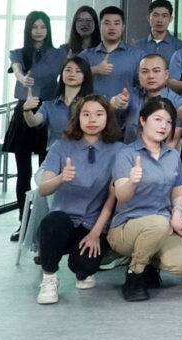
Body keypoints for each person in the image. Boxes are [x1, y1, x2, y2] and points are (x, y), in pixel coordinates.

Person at [34, 95, 123, 304]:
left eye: (99, 114)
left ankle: (83, 272)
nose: (92, 119)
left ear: (108, 118)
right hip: (63, 219)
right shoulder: (60, 147)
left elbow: (112, 199)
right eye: (86, 114)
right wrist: (60, 178)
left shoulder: (119, 151)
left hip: (93, 223)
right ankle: (49, 278)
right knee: (52, 223)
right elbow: (43, 190)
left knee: (84, 265)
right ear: (77, 118)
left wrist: (95, 233)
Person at [110, 97, 182, 302]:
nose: (163, 126)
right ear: (142, 121)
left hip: (162, 225)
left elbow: (178, 193)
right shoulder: (126, 154)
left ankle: (147, 262)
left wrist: (177, 213)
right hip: (126, 227)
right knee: (158, 223)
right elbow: (121, 195)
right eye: (157, 119)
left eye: (168, 122)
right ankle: (135, 273)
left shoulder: (172, 155)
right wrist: (132, 182)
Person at [5, 11, 67, 241]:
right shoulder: (19, 52)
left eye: (43, 26)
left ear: (48, 29)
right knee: (23, 173)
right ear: (28, 29)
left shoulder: (59, 54)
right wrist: (22, 78)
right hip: (25, 110)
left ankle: (43, 224)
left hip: (49, 110)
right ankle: (23, 222)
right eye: (34, 27)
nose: (39, 31)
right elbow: (16, 68)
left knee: (46, 171)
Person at [23, 56, 94, 146]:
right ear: (61, 74)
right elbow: (33, 122)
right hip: (56, 153)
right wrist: (27, 110)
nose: (72, 74)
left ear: (85, 76)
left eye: (78, 71)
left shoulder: (92, 104)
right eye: (68, 70)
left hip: (83, 152)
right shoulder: (49, 105)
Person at [120, 54, 182, 144]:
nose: (150, 76)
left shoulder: (179, 103)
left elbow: (173, 140)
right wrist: (116, 104)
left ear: (166, 74)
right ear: (138, 75)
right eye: (145, 71)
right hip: (128, 150)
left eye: (156, 71)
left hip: (160, 152)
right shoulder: (130, 96)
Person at [82, 6, 142, 99]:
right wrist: (95, 70)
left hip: (126, 107)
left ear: (123, 27)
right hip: (94, 107)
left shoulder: (137, 55)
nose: (111, 27)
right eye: (107, 23)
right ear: (99, 26)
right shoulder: (86, 55)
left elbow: (144, 85)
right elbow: (71, 77)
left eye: (116, 23)